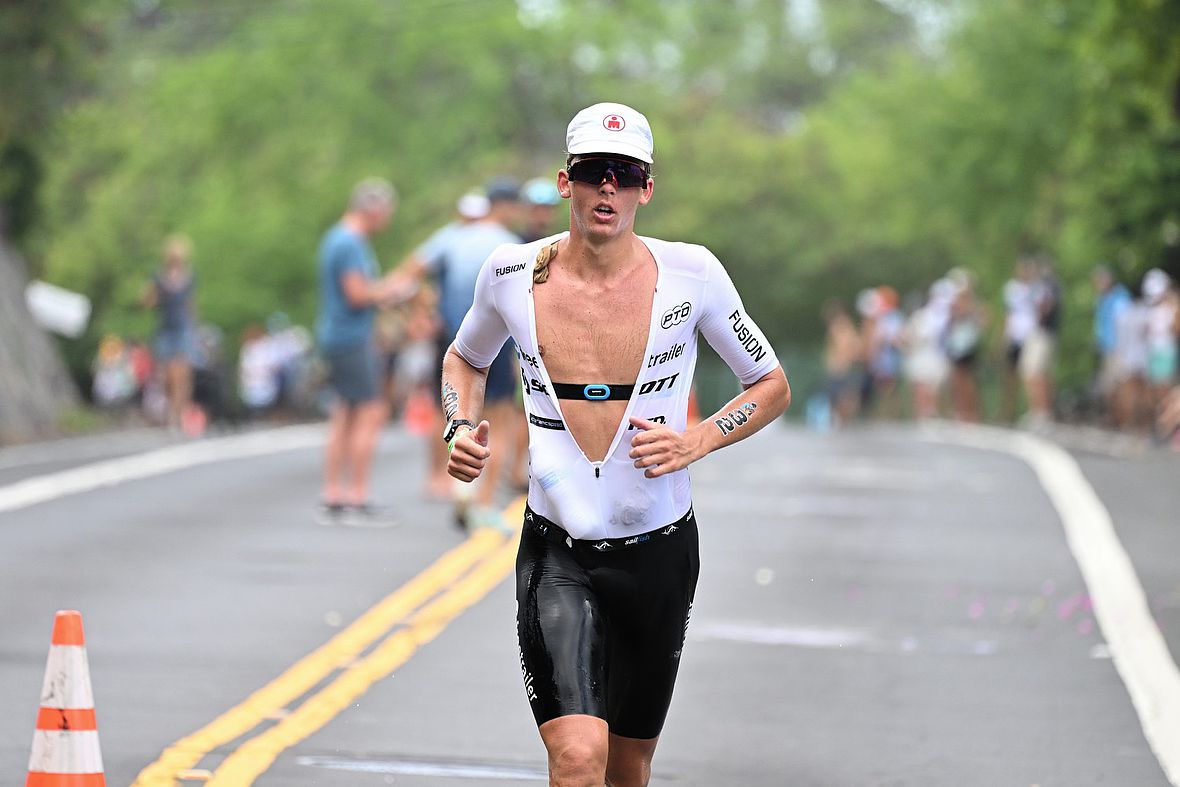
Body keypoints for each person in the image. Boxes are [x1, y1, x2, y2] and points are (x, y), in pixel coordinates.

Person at [442, 102, 791, 787]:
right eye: (594, 172)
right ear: (566, 181)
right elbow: (465, 358)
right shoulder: (511, 275)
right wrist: (458, 424)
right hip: (557, 552)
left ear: (647, 188)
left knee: (628, 767)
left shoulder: (693, 275)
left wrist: (697, 439)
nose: (610, 189)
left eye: (625, 174)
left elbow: (771, 383)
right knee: (578, 759)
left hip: (657, 551)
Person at [397, 179, 523, 531]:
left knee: (450, 409)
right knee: (499, 417)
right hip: (495, 339)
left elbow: (408, 275)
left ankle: (449, 482)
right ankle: (482, 501)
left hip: (450, 336)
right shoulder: (508, 246)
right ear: (506, 207)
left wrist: (416, 315)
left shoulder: (451, 237)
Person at [315, 178, 401, 526]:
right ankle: (356, 495)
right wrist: (389, 292)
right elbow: (356, 294)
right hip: (350, 337)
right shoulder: (350, 242)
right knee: (370, 411)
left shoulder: (338, 237)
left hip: (338, 335)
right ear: (374, 209)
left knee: (344, 413)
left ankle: (335, 493)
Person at [142, 234, 198, 432]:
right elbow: (147, 301)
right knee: (165, 377)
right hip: (165, 329)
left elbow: (192, 304)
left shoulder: (189, 276)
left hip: (182, 329)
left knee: (180, 374)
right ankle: (170, 412)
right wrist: (152, 296)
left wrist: (196, 328)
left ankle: (176, 416)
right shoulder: (159, 277)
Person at [1091, 264, 1133, 426]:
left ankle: (1123, 421)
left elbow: (1124, 324)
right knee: (1108, 386)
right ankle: (1113, 418)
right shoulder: (1101, 298)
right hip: (1106, 347)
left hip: (1118, 348)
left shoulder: (1120, 298)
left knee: (1119, 384)